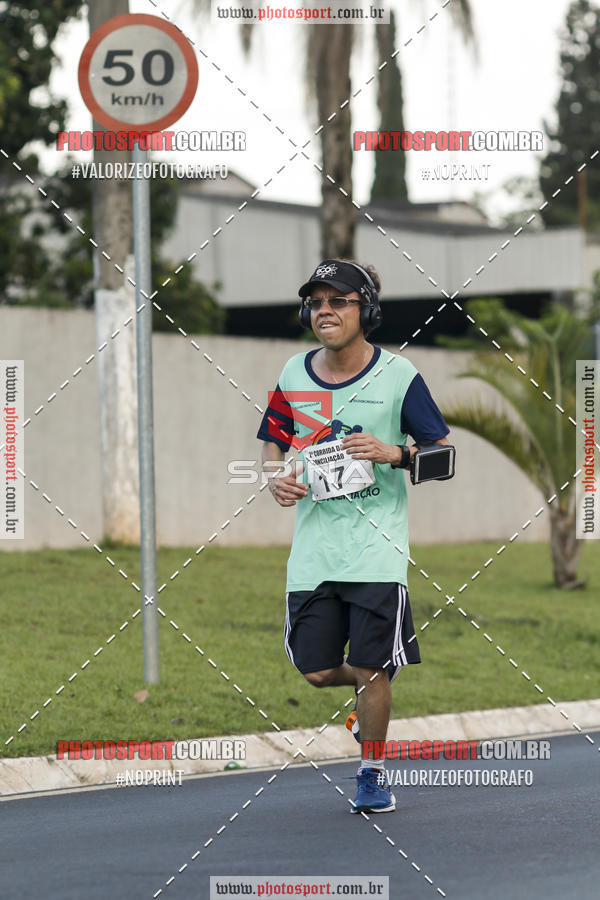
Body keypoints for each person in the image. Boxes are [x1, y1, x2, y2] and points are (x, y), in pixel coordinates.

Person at [256, 259, 451, 814]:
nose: (325, 310)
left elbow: (442, 456)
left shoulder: (399, 377)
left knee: (369, 667)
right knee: (316, 670)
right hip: (314, 553)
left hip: (377, 551)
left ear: (365, 310)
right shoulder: (294, 372)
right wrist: (274, 479)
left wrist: (394, 452)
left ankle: (371, 770)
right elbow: (271, 439)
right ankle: (372, 690)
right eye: (317, 302)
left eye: (338, 300)